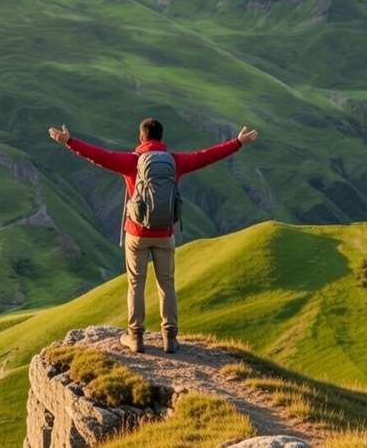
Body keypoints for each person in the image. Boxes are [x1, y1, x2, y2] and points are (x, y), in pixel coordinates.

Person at [48, 118, 258, 354]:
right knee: (166, 284)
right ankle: (170, 337)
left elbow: (100, 156)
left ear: (141, 137)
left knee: (136, 284)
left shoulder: (132, 161)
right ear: (161, 137)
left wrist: (70, 142)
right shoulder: (175, 162)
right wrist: (237, 143)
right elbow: (206, 156)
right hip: (165, 234)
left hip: (136, 233)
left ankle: (135, 337)